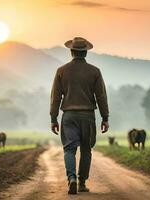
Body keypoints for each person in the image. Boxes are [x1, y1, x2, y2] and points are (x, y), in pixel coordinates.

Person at [50, 37, 109, 195]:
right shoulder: (95, 72)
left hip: (69, 116)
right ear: (86, 53)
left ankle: (72, 179)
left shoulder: (61, 71)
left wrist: (53, 118)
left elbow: (56, 97)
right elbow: (101, 97)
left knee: (69, 149)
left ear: (71, 51)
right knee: (86, 149)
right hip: (87, 116)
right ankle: (82, 182)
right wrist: (105, 118)